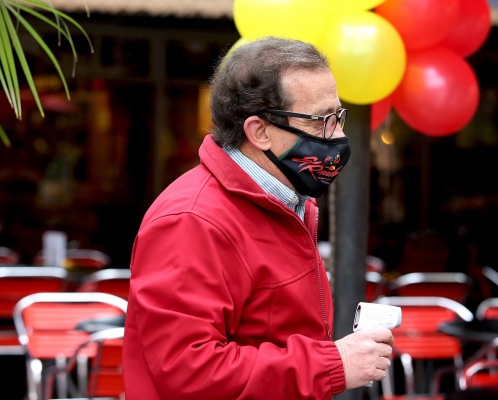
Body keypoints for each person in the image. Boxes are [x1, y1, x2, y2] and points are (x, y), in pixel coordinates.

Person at [122, 37, 395, 400]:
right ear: (260, 132)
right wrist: (331, 365)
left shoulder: (287, 200)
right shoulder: (192, 220)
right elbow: (188, 371)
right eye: (322, 121)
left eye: (338, 117)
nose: (338, 135)